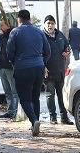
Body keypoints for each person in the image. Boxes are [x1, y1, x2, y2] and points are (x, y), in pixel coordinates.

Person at [6, 8, 49, 137]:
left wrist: (15, 63)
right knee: (35, 97)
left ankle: (34, 121)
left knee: (24, 98)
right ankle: (35, 126)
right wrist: (41, 61)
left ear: (19, 19)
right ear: (29, 18)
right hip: (39, 67)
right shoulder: (39, 32)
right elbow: (48, 51)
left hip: (23, 68)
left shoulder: (15, 32)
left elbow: (10, 51)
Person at [41, 15, 71, 125]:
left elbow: (67, 45)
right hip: (48, 71)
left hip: (60, 71)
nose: (50, 25)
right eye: (48, 23)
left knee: (61, 95)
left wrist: (67, 50)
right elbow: (39, 53)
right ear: (44, 24)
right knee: (50, 95)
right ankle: (52, 117)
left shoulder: (59, 35)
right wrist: (43, 67)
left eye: (52, 23)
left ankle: (64, 117)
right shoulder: (42, 36)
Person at [0, 15, 18, 121]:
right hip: (1, 66)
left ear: (7, 24)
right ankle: (10, 110)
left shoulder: (12, 34)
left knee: (14, 91)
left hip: (9, 67)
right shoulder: (1, 35)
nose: (0, 26)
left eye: (2, 24)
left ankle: (15, 111)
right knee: (7, 91)